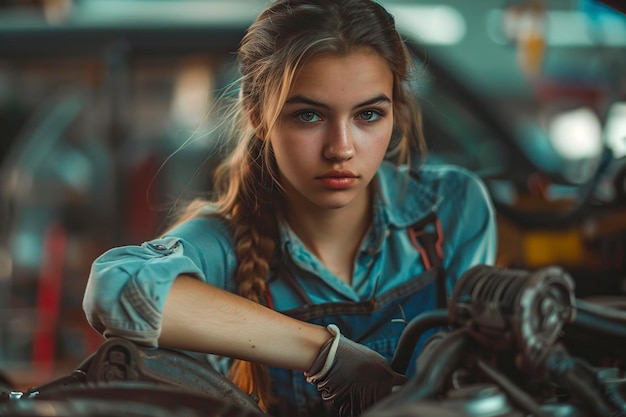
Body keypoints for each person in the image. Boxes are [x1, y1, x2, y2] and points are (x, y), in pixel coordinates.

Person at [82, 0, 497, 416]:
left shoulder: (449, 209)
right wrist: (326, 354)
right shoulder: (225, 243)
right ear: (258, 115)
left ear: (395, 112)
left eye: (368, 114)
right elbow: (114, 290)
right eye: (309, 116)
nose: (341, 149)